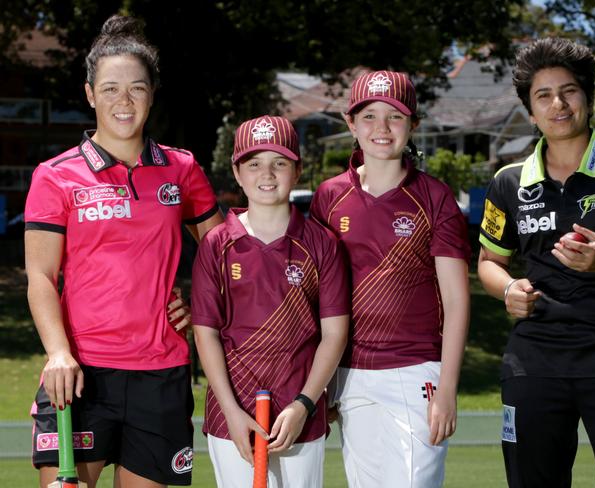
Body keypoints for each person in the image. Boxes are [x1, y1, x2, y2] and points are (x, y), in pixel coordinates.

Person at [24, 15, 222, 488]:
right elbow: (40, 278)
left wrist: (198, 306)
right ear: (90, 95)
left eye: (136, 87)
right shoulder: (55, 175)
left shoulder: (182, 168)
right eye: (110, 88)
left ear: (152, 93)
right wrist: (57, 353)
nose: (124, 100)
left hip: (162, 375)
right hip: (80, 373)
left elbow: (225, 257)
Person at [477, 37, 595, 488]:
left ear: (587, 98)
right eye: (543, 95)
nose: (559, 104)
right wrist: (509, 289)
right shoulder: (508, 182)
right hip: (533, 364)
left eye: (569, 91)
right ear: (531, 112)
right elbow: (488, 262)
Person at [310, 70, 471, 488]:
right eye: (369, 117)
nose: (381, 129)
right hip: (350, 373)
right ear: (350, 124)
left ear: (413, 125)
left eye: (394, 117)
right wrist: (321, 383)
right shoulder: (329, 197)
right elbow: (316, 297)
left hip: (417, 370)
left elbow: (455, 300)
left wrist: (448, 388)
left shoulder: (435, 197)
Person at [191, 115, 350, 488]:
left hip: (299, 415)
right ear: (237, 172)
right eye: (254, 163)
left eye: (279, 163)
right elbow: (206, 333)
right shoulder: (217, 244)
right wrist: (231, 411)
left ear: (296, 171)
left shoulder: (321, 243)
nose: (267, 173)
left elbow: (334, 335)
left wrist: (304, 405)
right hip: (233, 416)